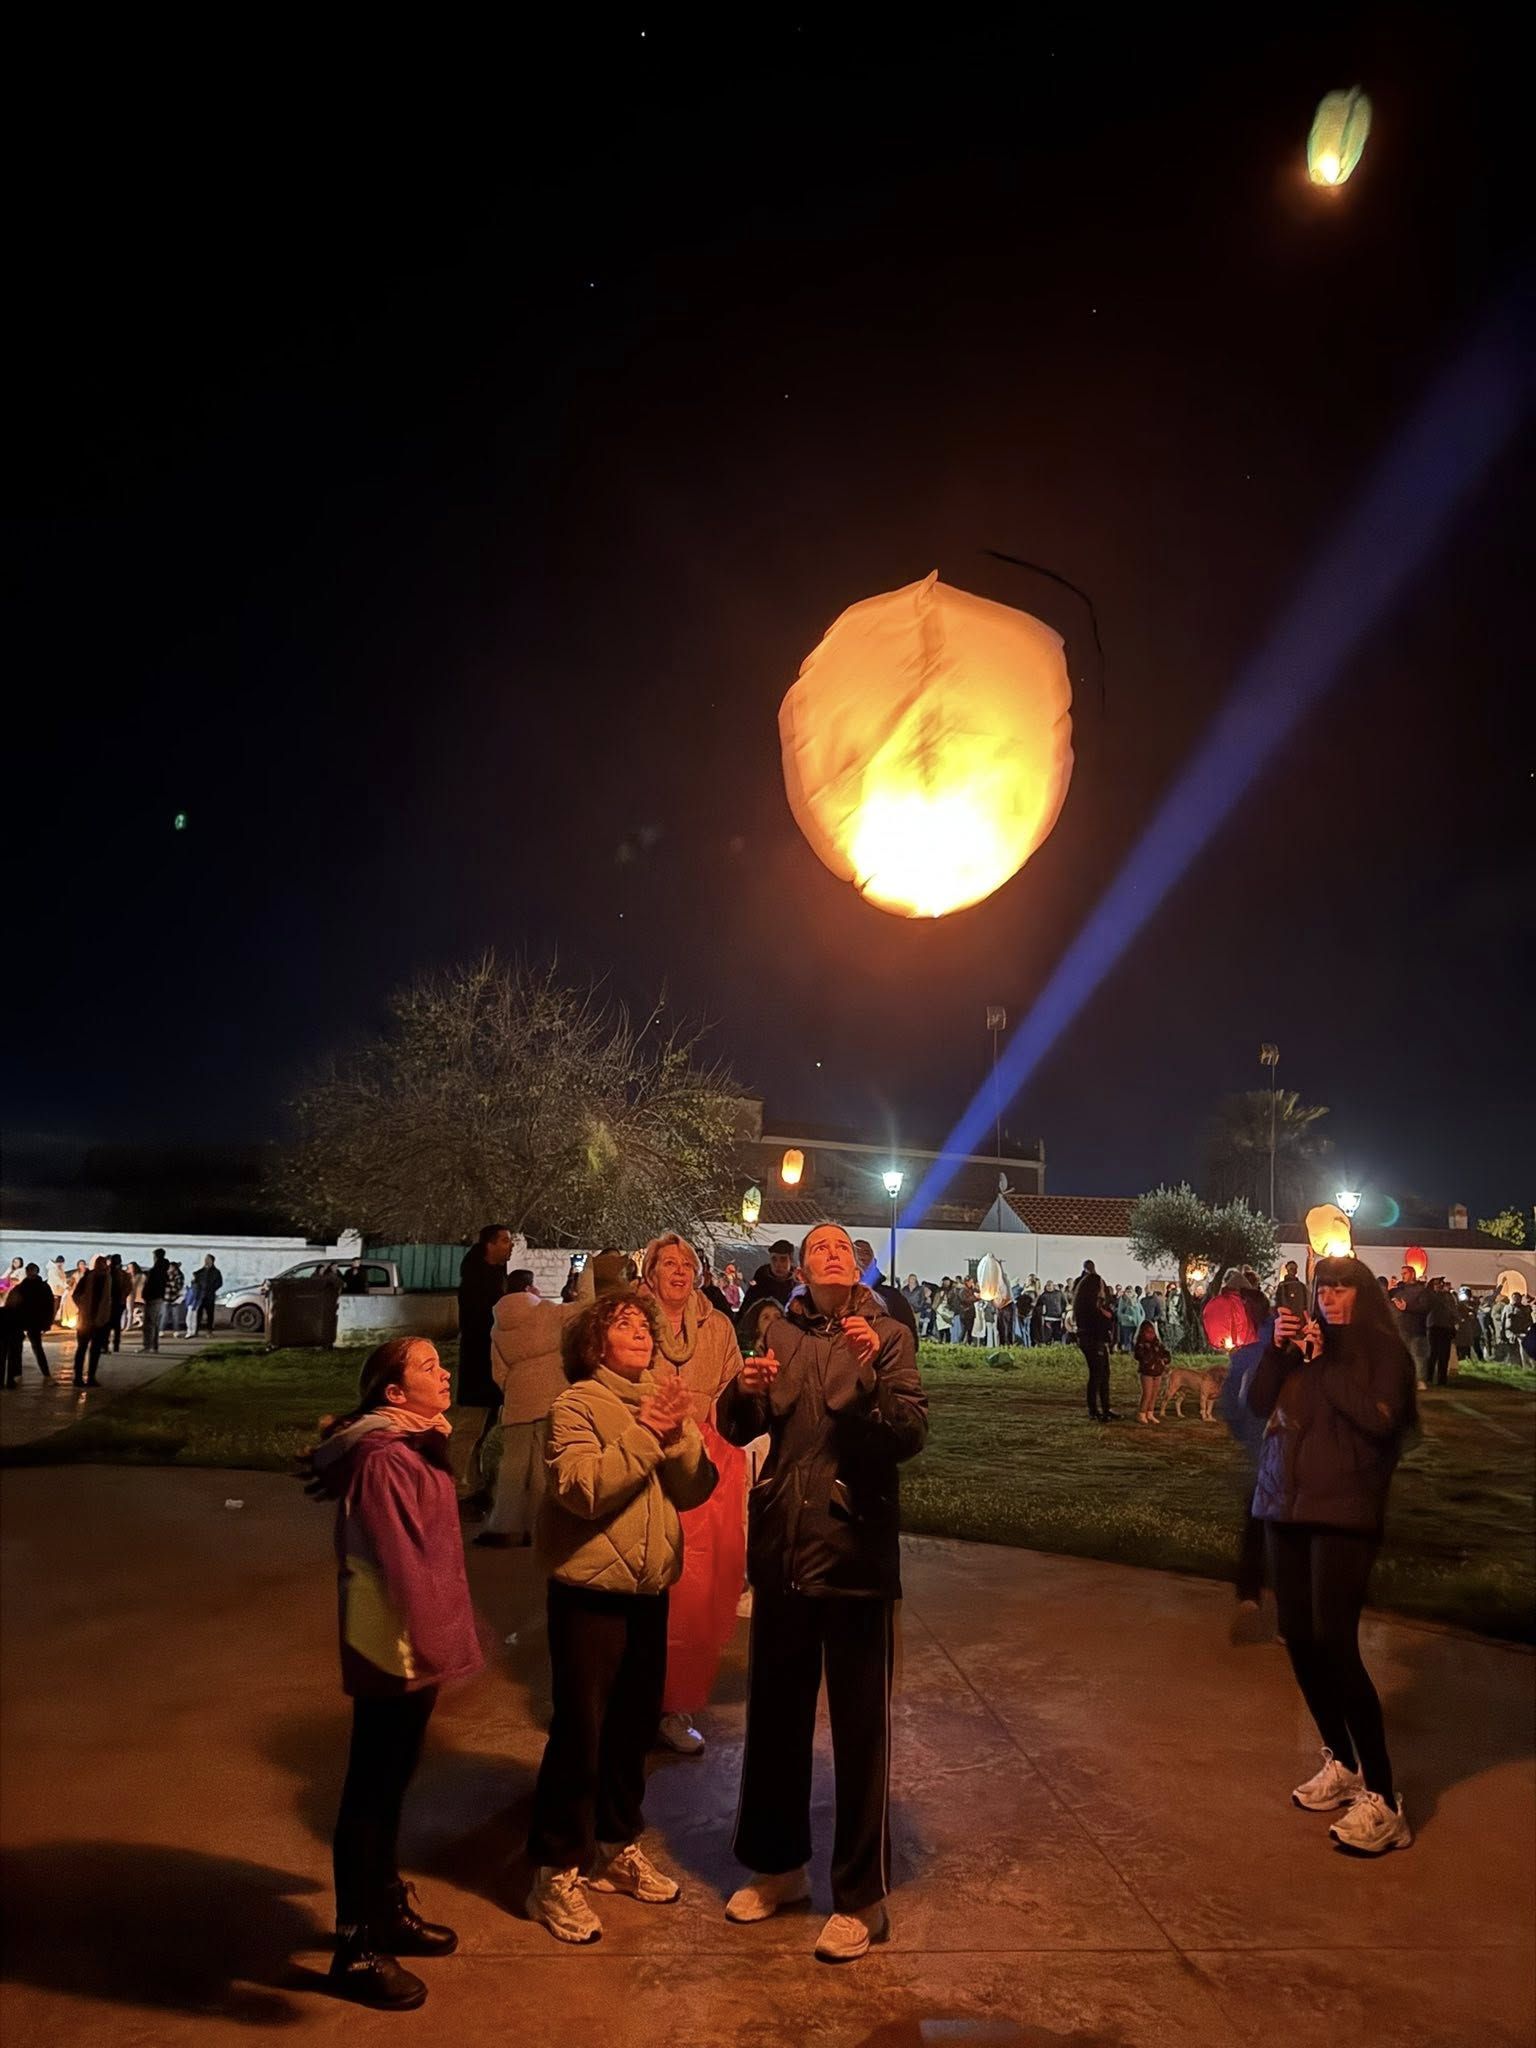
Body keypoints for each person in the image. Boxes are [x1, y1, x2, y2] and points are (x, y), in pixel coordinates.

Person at [717, 1221, 927, 1963]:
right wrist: (741, 1397)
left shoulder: (888, 1332)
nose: (830, 1253)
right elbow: (744, 1424)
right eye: (817, 1248)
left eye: (842, 1245)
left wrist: (869, 1378)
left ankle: (861, 1899)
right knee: (775, 1717)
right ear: (802, 1268)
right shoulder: (779, 1328)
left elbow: (908, 1434)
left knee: (861, 1728)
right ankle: (779, 1869)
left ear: (858, 1263)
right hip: (784, 1549)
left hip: (856, 1553)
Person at [525, 1291, 716, 1944]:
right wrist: (647, 1435)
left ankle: (615, 1845)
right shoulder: (575, 1405)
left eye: (644, 1324)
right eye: (623, 1324)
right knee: (581, 1732)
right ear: (593, 1344)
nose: (639, 1331)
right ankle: (554, 1870)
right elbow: (582, 1491)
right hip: (588, 1594)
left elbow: (694, 1489)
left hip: (647, 1591)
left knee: (633, 1729)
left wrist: (680, 1437)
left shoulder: (658, 1398)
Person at [304, 1338, 480, 2009]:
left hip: (409, 1637)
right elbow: (403, 1561)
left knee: (394, 1778)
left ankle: (384, 1909)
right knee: (371, 1791)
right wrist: (444, 1641)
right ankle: (356, 1947)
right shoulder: (385, 1458)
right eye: (428, 1368)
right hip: (391, 1640)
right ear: (393, 1395)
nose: (444, 1373)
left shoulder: (412, 1442)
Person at [1248, 1255, 1418, 1855]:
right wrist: (1277, 1350)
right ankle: (1342, 1765)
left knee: (1337, 1644)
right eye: (1324, 1288)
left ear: (1362, 1295)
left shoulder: (1379, 1354)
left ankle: (1385, 1798)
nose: (1329, 1298)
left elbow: (1380, 1422)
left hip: (1343, 1511)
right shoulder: (1303, 1348)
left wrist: (1324, 1365)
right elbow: (1255, 1401)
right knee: (1298, 1635)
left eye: (1342, 1288)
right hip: (1284, 1507)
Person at [639, 1234, 747, 1755]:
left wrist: (703, 1405)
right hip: (645, 1461)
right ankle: (631, 1699)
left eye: (687, 1263)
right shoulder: (632, 1320)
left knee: (696, 1588)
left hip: (705, 1468)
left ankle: (676, 1704)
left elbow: (732, 1395)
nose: (678, 1271)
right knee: (646, 1580)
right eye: (667, 1263)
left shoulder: (717, 1324)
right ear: (651, 1271)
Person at [478, 1267, 581, 1549]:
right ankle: (539, 1525)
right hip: (551, 1393)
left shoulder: (497, 1325)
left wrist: (514, 1389)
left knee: (512, 1465)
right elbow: (583, 1310)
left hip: (517, 1398)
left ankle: (506, 1524)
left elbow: (498, 1371)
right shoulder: (547, 1311)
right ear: (528, 1288)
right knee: (542, 1464)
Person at [454, 1224, 512, 1516]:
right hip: (479, 1363)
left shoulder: (495, 1277)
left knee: (483, 1429)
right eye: (504, 1241)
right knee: (469, 1429)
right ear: (489, 1245)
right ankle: (456, 1488)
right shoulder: (477, 1280)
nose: (510, 1246)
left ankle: (474, 1484)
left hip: (492, 1364)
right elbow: (481, 1324)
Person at [1073, 1268, 1117, 1423]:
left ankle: (1105, 1409)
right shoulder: (1088, 1306)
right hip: (1092, 1341)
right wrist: (1106, 1315)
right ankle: (1094, 1411)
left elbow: (1111, 1316)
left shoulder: (1094, 1304)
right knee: (1097, 1375)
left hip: (1098, 1340)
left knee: (1104, 1375)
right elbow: (1105, 1319)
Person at [3, 1264, 55, 1385]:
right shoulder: (42, 1287)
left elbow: (10, 1305)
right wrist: (47, 1322)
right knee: (31, 1348)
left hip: (24, 1321)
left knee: (21, 1349)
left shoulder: (21, 1288)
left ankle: (17, 1375)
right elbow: (49, 1305)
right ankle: (43, 1375)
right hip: (30, 1321)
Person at [70, 1257, 113, 1387]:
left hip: (98, 1319)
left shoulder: (106, 1278)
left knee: (93, 1350)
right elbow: (76, 1295)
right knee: (83, 1348)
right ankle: (79, 1377)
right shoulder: (93, 1278)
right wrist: (83, 1306)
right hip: (88, 1319)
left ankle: (90, 1377)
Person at [1388, 1266, 1431, 1389]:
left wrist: (1408, 1308)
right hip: (1400, 1328)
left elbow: (1425, 1307)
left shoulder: (1421, 1291)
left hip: (1415, 1328)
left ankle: (1420, 1380)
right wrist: (1388, 1290)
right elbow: (1385, 1303)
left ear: (1412, 1274)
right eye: (1402, 1273)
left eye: (1405, 1273)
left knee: (1417, 1355)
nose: (1403, 1276)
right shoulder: (1398, 1291)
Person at [736, 1241, 798, 1327]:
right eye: (774, 1259)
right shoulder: (759, 1287)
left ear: (790, 1260)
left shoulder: (799, 1287)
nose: (778, 1264)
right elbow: (744, 1315)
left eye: (783, 1259)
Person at [1132, 1318, 1168, 1423]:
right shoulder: (1141, 1345)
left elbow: (1165, 1353)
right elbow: (1139, 1356)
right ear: (1143, 1333)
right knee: (1147, 1394)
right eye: (1148, 1332)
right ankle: (1141, 1413)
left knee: (1154, 1394)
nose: (1151, 1335)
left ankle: (1150, 1413)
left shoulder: (1157, 1344)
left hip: (1158, 1371)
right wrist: (1149, 1358)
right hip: (1147, 1372)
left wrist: (1165, 1360)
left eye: (1152, 1332)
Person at [1423, 1277, 1458, 1388]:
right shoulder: (1430, 1296)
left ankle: (1442, 1379)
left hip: (1446, 1327)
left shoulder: (1448, 1296)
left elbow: (1453, 1310)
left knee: (1444, 1354)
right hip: (1433, 1326)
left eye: (1441, 1283)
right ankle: (1428, 1377)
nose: (1440, 1285)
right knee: (1432, 1353)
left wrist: (1455, 1322)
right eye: (1437, 1284)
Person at [139, 1248, 170, 1353]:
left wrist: (145, 1294)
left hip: (152, 1298)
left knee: (149, 1323)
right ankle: (154, 1345)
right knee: (154, 1323)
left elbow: (149, 1285)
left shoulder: (155, 1271)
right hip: (159, 1298)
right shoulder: (164, 1270)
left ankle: (148, 1345)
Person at [189, 1253, 223, 1335]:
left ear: (212, 1261)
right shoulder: (201, 1272)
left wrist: (212, 1289)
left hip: (210, 1296)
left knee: (210, 1314)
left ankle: (209, 1330)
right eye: (205, 1259)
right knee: (198, 1314)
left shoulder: (216, 1272)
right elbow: (195, 1281)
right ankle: (196, 1330)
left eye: (208, 1259)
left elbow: (219, 1283)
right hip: (201, 1296)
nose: (206, 1261)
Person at [103, 1253, 130, 1353]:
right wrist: (123, 1297)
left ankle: (106, 1345)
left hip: (110, 1302)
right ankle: (115, 1346)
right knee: (116, 1325)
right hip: (118, 1302)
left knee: (107, 1325)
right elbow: (128, 1288)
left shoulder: (108, 1272)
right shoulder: (123, 1274)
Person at [1115, 1284, 1141, 1355]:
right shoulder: (1123, 1299)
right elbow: (1119, 1312)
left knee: (1134, 1339)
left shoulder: (1136, 1299)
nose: (1129, 1293)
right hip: (1126, 1323)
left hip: (1136, 1322)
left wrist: (1140, 1318)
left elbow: (1140, 1310)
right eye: (1128, 1291)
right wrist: (1127, 1318)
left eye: (1130, 1291)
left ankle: (1133, 1353)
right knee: (1127, 1339)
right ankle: (1127, 1353)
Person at [1039, 1281, 1064, 1345]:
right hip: (1048, 1318)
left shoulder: (1059, 1294)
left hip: (1057, 1318)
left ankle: (1057, 1346)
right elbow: (1039, 1305)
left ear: (1053, 1286)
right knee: (1048, 1335)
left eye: (1050, 1285)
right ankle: (1048, 1345)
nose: (1049, 1287)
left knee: (1057, 1334)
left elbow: (1064, 1303)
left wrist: (1063, 1312)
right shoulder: (1043, 1295)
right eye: (1048, 1286)